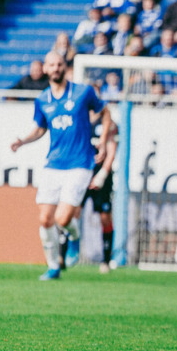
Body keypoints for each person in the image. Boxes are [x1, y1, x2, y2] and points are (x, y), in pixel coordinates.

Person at [10, 51, 112, 280]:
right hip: (53, 164)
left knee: (63, 219)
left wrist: (103, 141)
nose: (55, 68)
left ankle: (74, 238)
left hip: (80, 163)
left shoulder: (83, 92)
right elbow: (40, 129)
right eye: (51, 65)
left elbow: (105, 113)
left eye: (59, 64)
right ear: (45, 69)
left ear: (64, 67)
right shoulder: (42, 100)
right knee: (45, 219)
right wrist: (23, 141)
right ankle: (53, 266)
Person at [67, 111, 119, 274]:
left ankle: (106, 260)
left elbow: (111, 149)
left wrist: (102, 174)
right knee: (71, 214)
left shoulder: (109, 123)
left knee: (104, 217)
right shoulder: (77, 119)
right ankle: (63, 257)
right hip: (81, 172)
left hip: (99, 176)